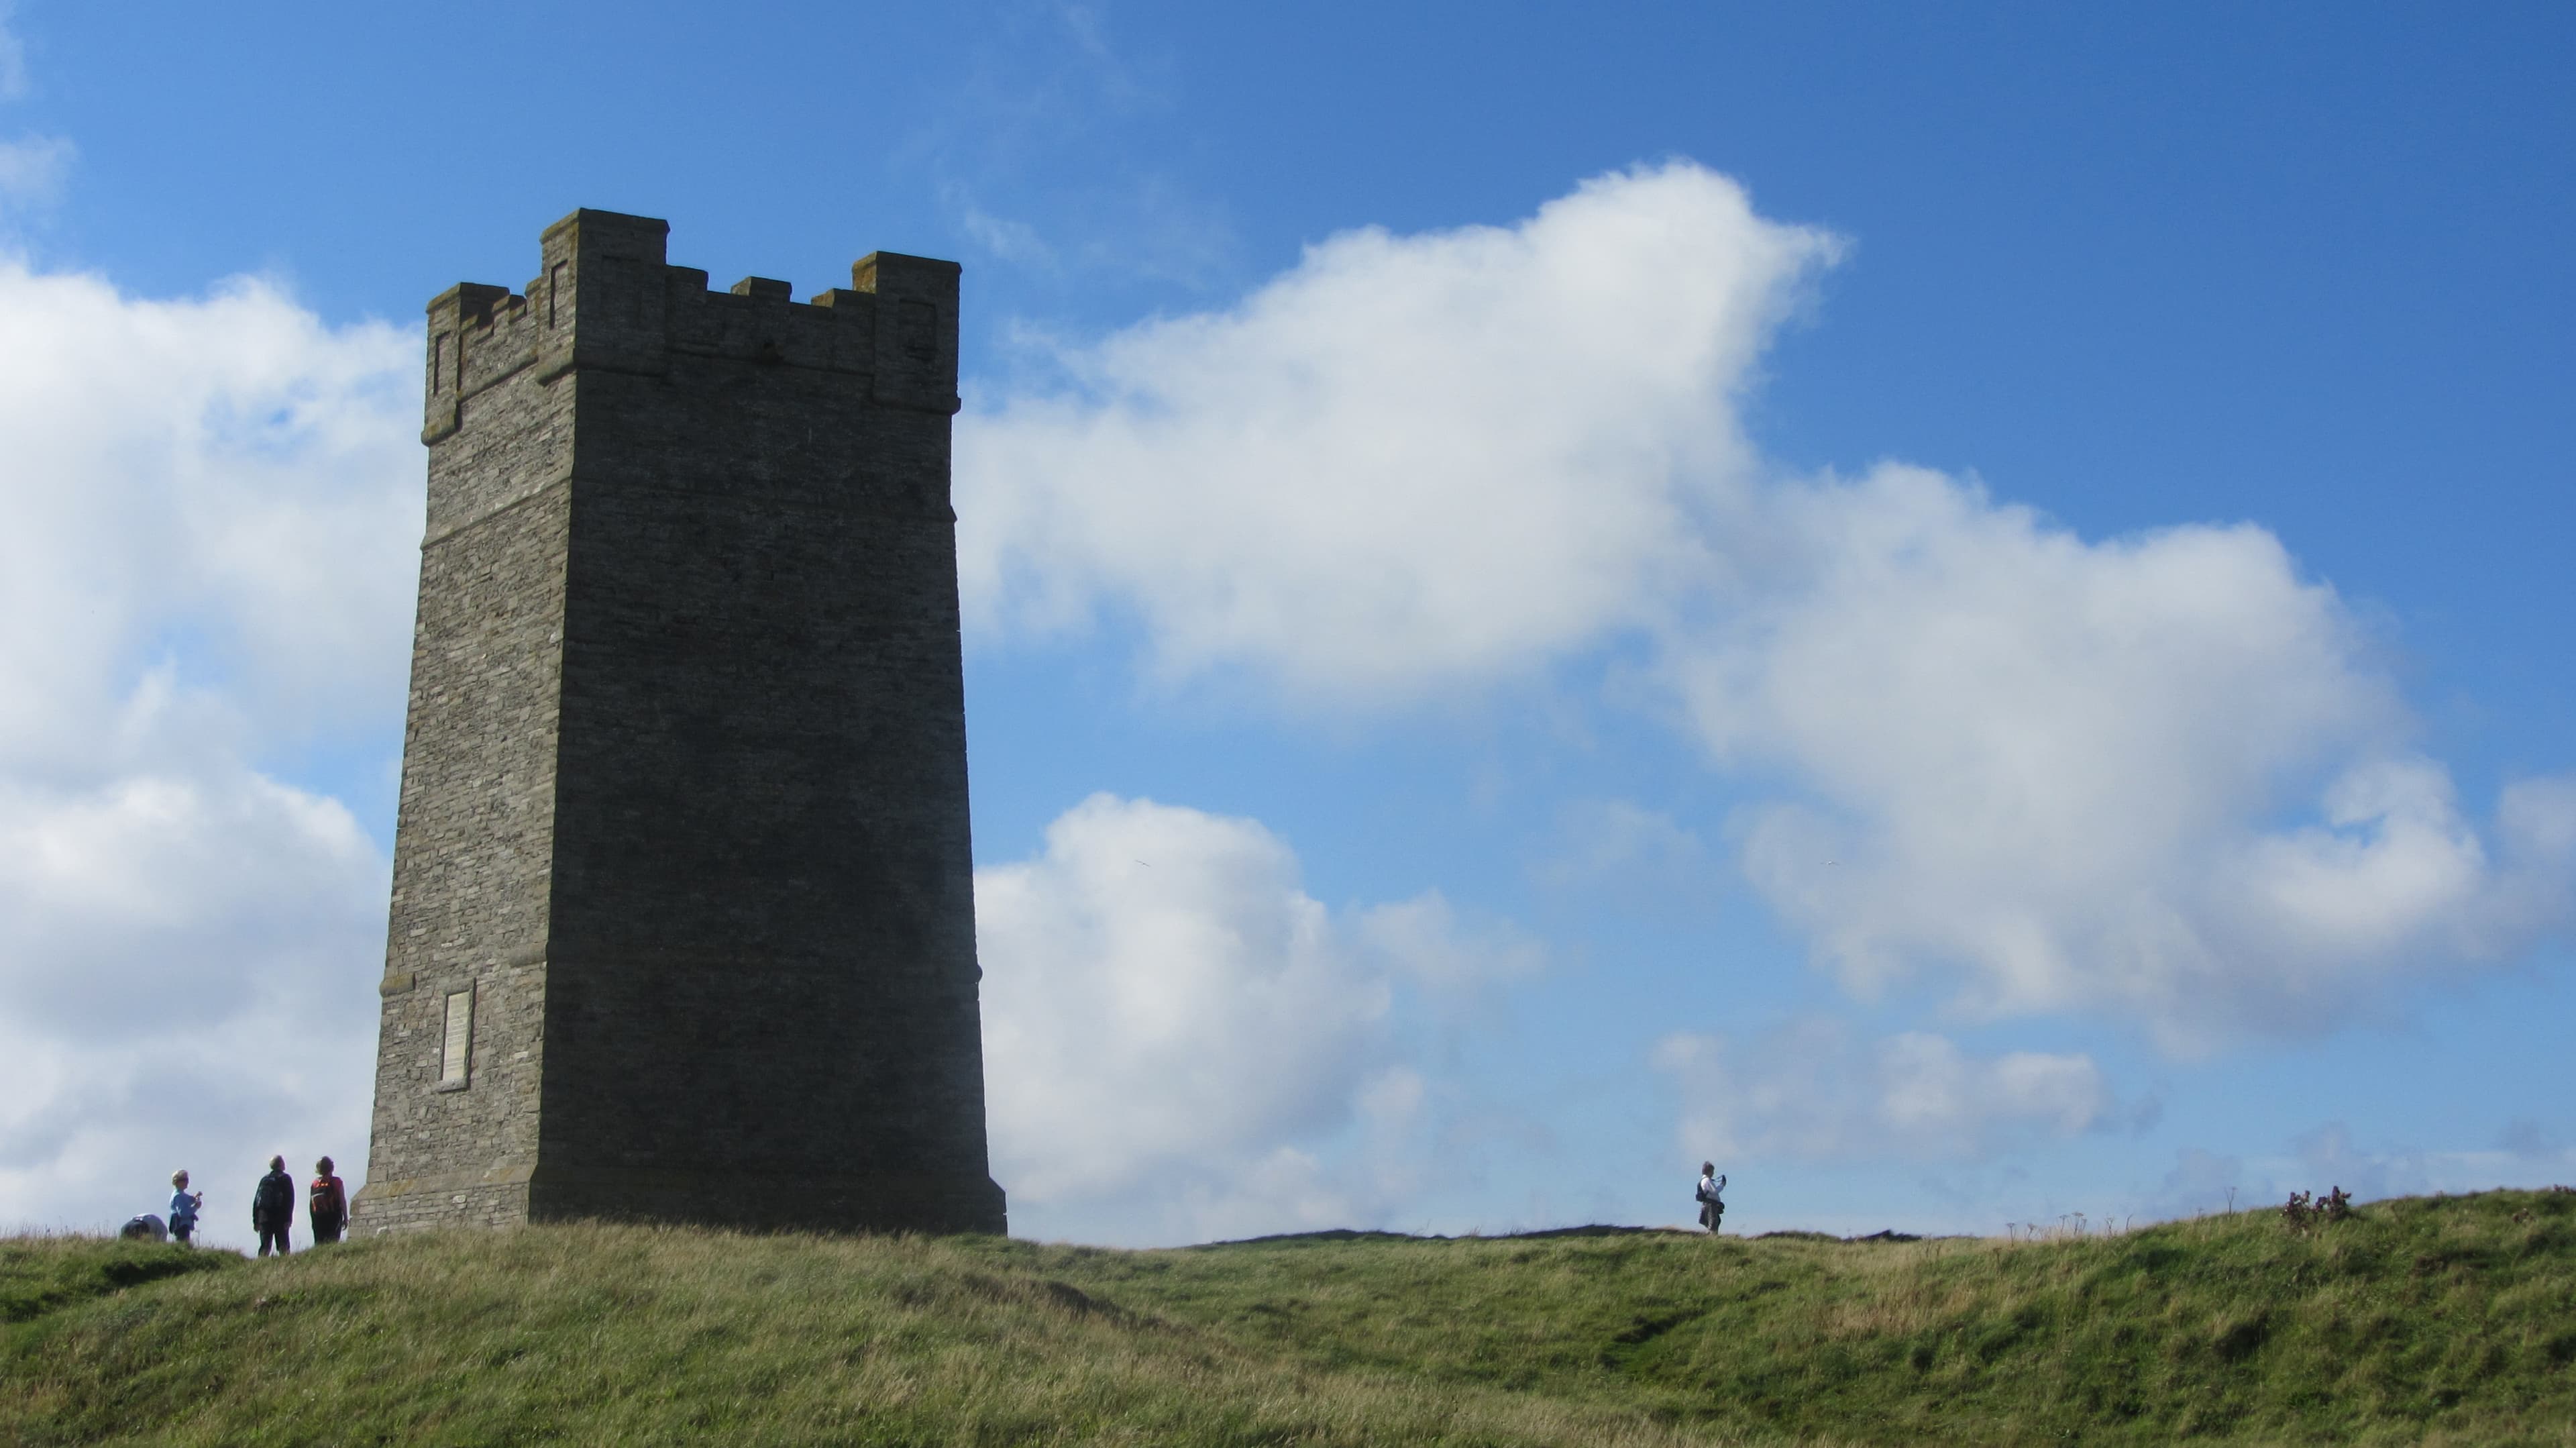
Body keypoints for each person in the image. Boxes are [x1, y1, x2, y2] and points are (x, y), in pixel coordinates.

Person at [252, 1155, 296, 1257]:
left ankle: (260, 1266)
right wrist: (288, 1218)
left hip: (264, 1217)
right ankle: (286, 1266)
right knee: (283, 1246)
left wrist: (256, 1220)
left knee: (265, 1245)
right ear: (281, 1164)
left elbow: (257, 1200)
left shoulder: (265, 1180)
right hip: (280, 1217)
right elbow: (290, 1200)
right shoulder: (285, 1178)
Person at [309, 1156, 350, 1245]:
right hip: (333, 1216)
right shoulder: (337, 1182)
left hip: (318, 1218)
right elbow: (342, 1201)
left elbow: (311, 1204)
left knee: (320, 1243)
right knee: (333, 1241)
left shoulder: (315, 1183)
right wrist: (346, 1218)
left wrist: (313, 1219)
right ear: (332, 1168)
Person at [168, 1170, 203, 1247]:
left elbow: (188, 1200)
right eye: (185, 1180)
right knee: (183, 1244)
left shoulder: (181, 1194)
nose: (187, 1182)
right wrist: (195, 1207)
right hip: (181, 1225)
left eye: (187, 1180)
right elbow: (183, 1213)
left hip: (183, 1225)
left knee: (184, 1243)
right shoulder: (178, 1196)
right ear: (177, 1182)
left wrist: (195, 1198)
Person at [1695, 1162, 1727, 1234]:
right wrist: (1722, 1185)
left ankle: (1713, 1236)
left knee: (1716, 1221)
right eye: (1712, 1171)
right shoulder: (1707, 1180)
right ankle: (1713, 1237)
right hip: (1710, 1205)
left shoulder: (1705, 1180)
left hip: (1710, 1204)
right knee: (1713, 1222)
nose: (1713, 1173)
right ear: (1709, 1171)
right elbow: (1715, 1191)